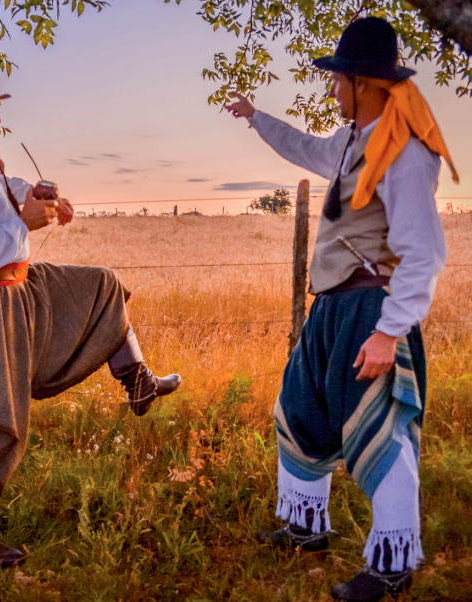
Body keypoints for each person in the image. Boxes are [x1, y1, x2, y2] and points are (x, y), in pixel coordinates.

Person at [0, 55, 181, 568]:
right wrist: (27, 223)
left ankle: (137, 381)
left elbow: (5, 194)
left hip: (20, 288)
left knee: (98, 286)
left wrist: (40, 198)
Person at [226, 17, 458, 602]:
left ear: (364, 81)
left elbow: (424, 253)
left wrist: (387, 334)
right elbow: (304, 146)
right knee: (298, 410)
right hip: (331, 308)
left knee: (384, 431)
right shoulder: (353, 140)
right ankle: (306, 528)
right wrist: (255, 118)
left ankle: (393, 561)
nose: (331, 90)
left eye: (338, 80)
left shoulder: (404, 155)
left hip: (371, 312)